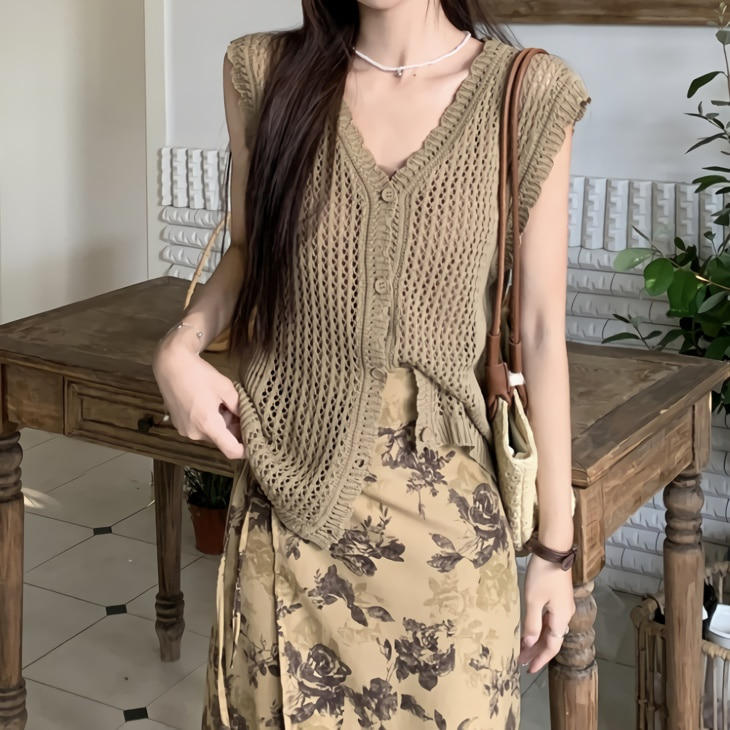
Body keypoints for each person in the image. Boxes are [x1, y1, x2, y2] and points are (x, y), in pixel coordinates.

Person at [153, 1, 591, 727]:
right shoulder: (264, 74)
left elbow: (542, 332)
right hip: (289, 505)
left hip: (448, 542)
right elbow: (249, 251)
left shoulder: (526, 95)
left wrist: (555, 550)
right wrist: (180, 343)